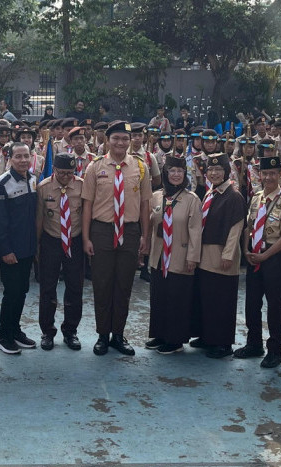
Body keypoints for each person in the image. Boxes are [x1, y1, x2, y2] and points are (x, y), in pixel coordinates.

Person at [82, 121, 151, 356]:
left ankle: (118, 335)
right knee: (102, 284)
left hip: (130, 231)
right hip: (102, 230)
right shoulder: (95, 167)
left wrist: (145, 235)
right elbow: (87, 205)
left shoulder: (140, 167)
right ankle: (102, 335)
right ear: (107, 140)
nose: (120, 143)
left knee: (124, 285)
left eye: (124, 139)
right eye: (116, 138)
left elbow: (144, 204)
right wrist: (86, 238)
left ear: (130, 141)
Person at [235, 156, 281, 368]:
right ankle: (254, 343)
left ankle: (274, 350)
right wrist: (246, 250)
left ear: (280, 174)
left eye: (272, 173)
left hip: (273, 257)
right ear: (259, 175)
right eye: (264, 173)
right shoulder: (256, 198)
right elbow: (249, 228)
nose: (268, 177)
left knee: (274, 305)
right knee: (252, 302)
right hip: (254, 255)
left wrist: (265, 256)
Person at [190, 153, 246, 358]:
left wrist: (228, 255)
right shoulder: (211, 193)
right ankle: (207, 336)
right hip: (206, 254)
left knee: (222, 300)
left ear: (227, 172)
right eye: (211, 170)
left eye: (219, 170)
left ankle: (222, 342)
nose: (214, 173)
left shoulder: (234, 196)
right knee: (207, 297)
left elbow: (236, 228)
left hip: (222, 254)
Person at [145, 155, 201, 354]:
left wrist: (193, 256)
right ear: (165, 173)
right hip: (159, 254)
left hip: (180, 254)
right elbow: (150, 224)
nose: (176, 175)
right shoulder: (157, 196)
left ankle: (175, 339)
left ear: (185, 174)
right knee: (159, 295)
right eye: (172, 171)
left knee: (178, 297)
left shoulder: (191, 199)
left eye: (180, 171)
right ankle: (160, 333)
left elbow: (195, 230)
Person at [0, 142, 37, 354]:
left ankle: (15, 330)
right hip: (11, 249)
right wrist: (5, 250)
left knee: (22, 291)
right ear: (10, 158)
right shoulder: (2, 183)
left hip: (28, 247)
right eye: (18, 156)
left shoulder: (34, 179)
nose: (23, 160)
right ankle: (3, 336)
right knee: (11, 293)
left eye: (26, 156)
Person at [36, 153, 84, 351]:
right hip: (51, 239)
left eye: (70, 173)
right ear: (54, 170)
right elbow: (39, 217)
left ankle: (70, 331)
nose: (66, 177)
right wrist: (36, 246)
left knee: (75, 287)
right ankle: (47, 331)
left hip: (75, 240)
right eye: (62, 173)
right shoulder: (43, 187)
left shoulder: (82, 185)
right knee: (48, 288)